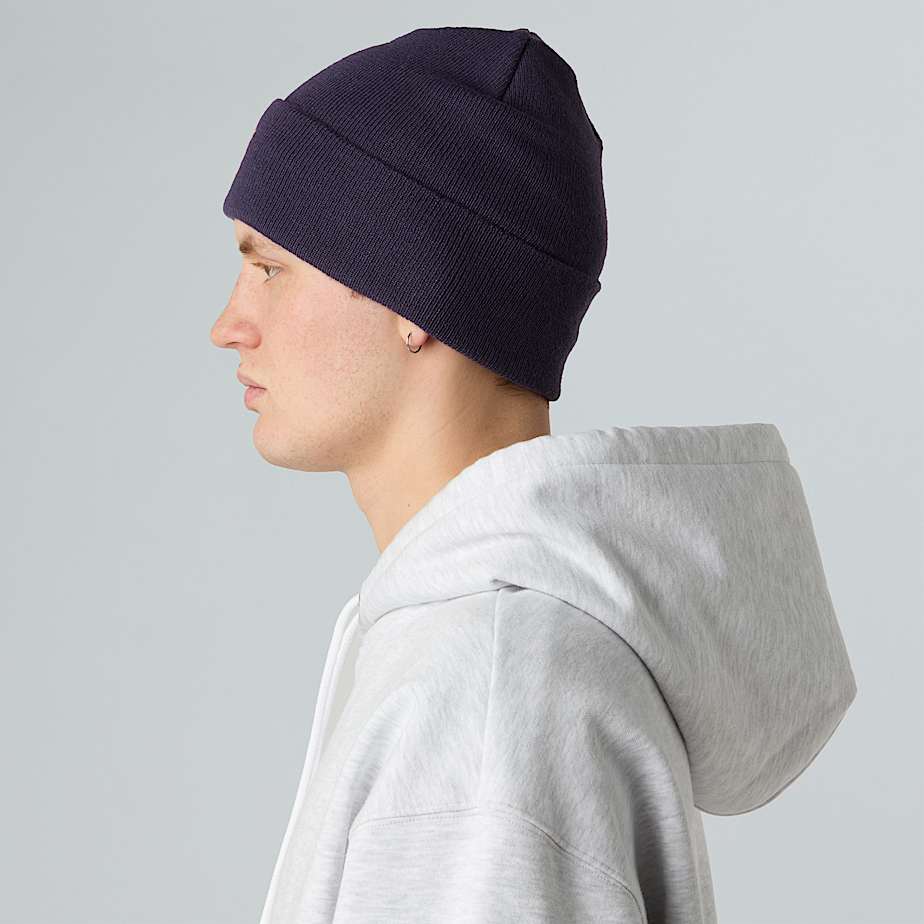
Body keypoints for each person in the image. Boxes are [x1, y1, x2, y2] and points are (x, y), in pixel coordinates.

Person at [210, 26, 858, 924]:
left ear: (414, 292)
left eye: (270, 268)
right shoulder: (483, 654)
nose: (229, 325)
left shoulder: (481, 697)